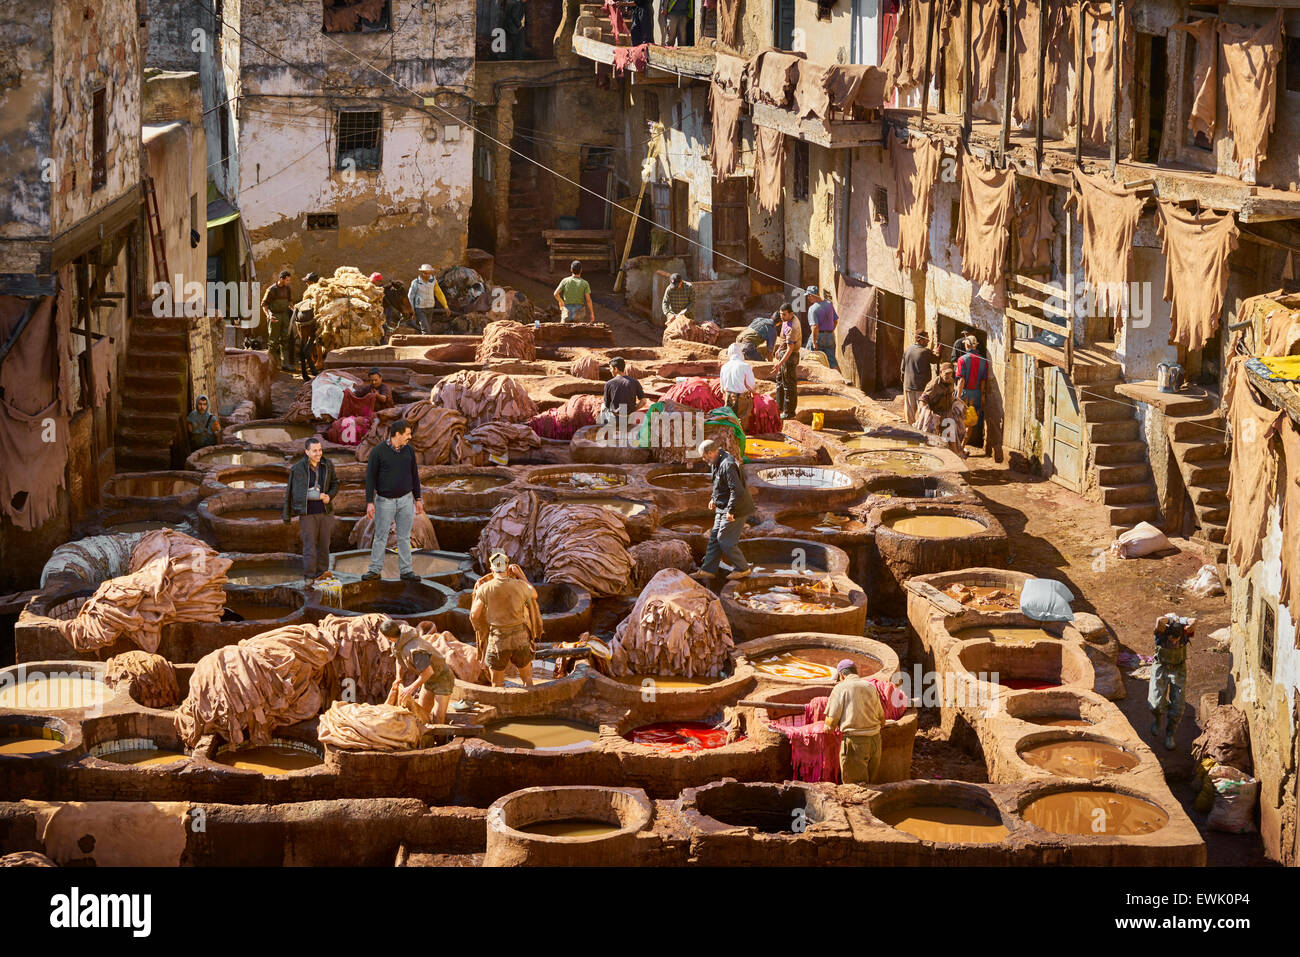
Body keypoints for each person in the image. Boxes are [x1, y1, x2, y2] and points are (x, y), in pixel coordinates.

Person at [470, 551, 544, 688]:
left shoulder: (485, 588)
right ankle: (531, 705)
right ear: (507, 567)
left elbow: (474, 615)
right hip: (520, 638)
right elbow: (534, 594)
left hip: (498, 640)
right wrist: (521, 575)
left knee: (496, 683)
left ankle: (499, 709)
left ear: (491, 569)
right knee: (527, 678)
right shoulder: (520, 585)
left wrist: (481, 594)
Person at [363, 419, 425, 582]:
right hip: (384, 502)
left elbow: (415, 475)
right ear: (397, 434)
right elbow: (370, 478)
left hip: (406, 500)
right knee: (381, 536)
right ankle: (375, 570)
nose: (409, 437)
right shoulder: (378, 452)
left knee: (404, 536)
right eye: (407, 434)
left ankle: (406, 571)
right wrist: (370, 502)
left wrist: (418, 498)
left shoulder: (409, 451)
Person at [693, 439, 754, 581]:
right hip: (723, 506)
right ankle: (708, 570)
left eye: (704, 456)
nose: (703, 459)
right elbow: (718, 483)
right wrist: (714, 498)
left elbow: (737, 490)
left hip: (736, 508)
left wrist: (731, 511)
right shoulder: (716, 461)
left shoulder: (728, 464)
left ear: (710, 452)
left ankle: (743, 568)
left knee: (725, 540)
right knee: (714, 537)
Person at [282, 435, 339, 578]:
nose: (319, 453)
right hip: (307, 514)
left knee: (325, 545)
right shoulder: (298, 469)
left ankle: (323, 574)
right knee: (309, 547)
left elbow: (335, 483)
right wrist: (317, 496)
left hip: (325, 512)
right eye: (315, 451)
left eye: (320, 450)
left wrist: (329, 496)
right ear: (307, 452)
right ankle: (309, 577)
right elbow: (296, 493)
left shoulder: (327, 464)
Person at [382, 620, 455, 725]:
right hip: (429, 679)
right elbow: (399, 659)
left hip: (442, 677)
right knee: (421, 713)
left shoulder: (415, 650)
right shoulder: (398, 642)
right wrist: (398, 677)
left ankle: (440, 740)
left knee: (438, 717)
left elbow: (428, 672)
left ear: (387, 637)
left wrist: (410, 688)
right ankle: (425, 738)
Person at [824, 659, 884, 785]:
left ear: (841, 675)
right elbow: (881, 718)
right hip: (875, 741)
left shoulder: (840, 688)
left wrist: (827, 727)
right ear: (856, 673)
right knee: (871, 786)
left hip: (855, 744)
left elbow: (831, 720)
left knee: (855, 788)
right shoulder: (870, 686)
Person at [1149, 614, 1194, 750]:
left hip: (1178, 669)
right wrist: (1170, 619)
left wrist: (1181, 621)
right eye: (1171, 639)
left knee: (1178, 706)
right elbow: (1158, 620)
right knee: (1155, 704)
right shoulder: (1160, 635)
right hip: (1161, 667)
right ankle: (1157, 719)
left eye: (1176, 640)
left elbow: (1194, 621)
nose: (1174, 642)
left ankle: (1170, 734)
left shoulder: (1185, 634)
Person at [915, 362, 968, 457]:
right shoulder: (933, 385)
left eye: (950, 373)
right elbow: (922, 400)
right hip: (934, 415)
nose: (948, 376)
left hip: (946, 414)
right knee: (932, 441)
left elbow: (950, 396)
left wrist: (957, 404)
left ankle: (954, 460)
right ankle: (929, 458)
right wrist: (927, 413)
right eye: (946, 373)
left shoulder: (951, 382)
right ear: (940, 372)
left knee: (951, 439)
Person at [954, 339, 989, 451]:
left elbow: (961, 380)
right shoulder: (984, 361)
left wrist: (957, 398)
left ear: (967, 345)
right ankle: (963, 446)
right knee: (971, 420)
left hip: (964, 392)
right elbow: (983, 381)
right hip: (977, 394)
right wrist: (982, 396)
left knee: (958, 419)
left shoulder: (962, 360)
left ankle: (956, 446)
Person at [900, 331, 939, 426]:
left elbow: (902, 369)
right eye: (927, 339)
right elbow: (935, 360)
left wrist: (904, 382)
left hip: (908, 386)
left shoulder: (908, 350)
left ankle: (911, 432)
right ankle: (920, 432)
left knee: (910, 413)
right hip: (921, 387)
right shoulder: (925, 352)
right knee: (922, 412)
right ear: (920, 340)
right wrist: (938, 353)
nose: (928, 341)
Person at [772, 302, 802, 420]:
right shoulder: (786, 321)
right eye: (781, 314)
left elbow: (790, 349)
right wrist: (778, 350)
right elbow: (784, 341)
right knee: (780, 381)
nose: (782, 317)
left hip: (790, 356)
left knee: (788, 384)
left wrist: (779, 363)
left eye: (784, 315)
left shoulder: (792, 327)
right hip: (784, 353)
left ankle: (789, 412)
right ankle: (779, 407)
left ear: (791, 314)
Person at [261, 269, 294, 369]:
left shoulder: (287, 289)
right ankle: (272, 364)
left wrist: (295, 310)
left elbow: (290, 302)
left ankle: (285, 364)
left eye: (289, 280)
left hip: (285, 316)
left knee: (285, 340)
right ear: (281, 279)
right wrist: (269, 315)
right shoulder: (272, 290)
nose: (289, 282)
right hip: (275, 316)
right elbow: (264, 304)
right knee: (273, 341)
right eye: (287, 280)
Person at [600, 356, 646, 425]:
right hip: (629, 419)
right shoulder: (635, 382)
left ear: (615, 369)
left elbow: (607, 405)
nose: (610, 371)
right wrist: (633, 409)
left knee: (603, 406)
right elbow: (643, 401)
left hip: (615, 419)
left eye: (610, 368)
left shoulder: (609, 383)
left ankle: (602, 428)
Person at [719, 342, 756, 427]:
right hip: (742, 399)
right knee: (742, 424)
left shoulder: (724, 367)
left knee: (729, 423)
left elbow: (722, 389)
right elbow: (751, 386)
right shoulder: (745, 366)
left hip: (728, 398)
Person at [407, 264, 449, 334]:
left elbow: (439, 293)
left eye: (429, 273)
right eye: (425, 273)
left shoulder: (433, 281)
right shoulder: (416, 282)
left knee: (428, 327)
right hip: (420, 308)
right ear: (421, 273)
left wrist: (445, 306)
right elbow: (410, 297)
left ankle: (424, 341)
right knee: (425, 329)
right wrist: (412, 310)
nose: (427, 275)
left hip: (430, 308)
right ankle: (426, 342)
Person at [806, 286, 839, 371]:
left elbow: (815, 327)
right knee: (832, 361)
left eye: (808, 296)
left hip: (818, 336)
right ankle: (841, 380)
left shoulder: (812, 309)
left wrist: (814, 342)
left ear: (812, 295)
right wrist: (829, 331)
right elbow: (835, 321)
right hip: (831, 336)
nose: (808, 298)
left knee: (809, 357)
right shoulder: (829, 304)